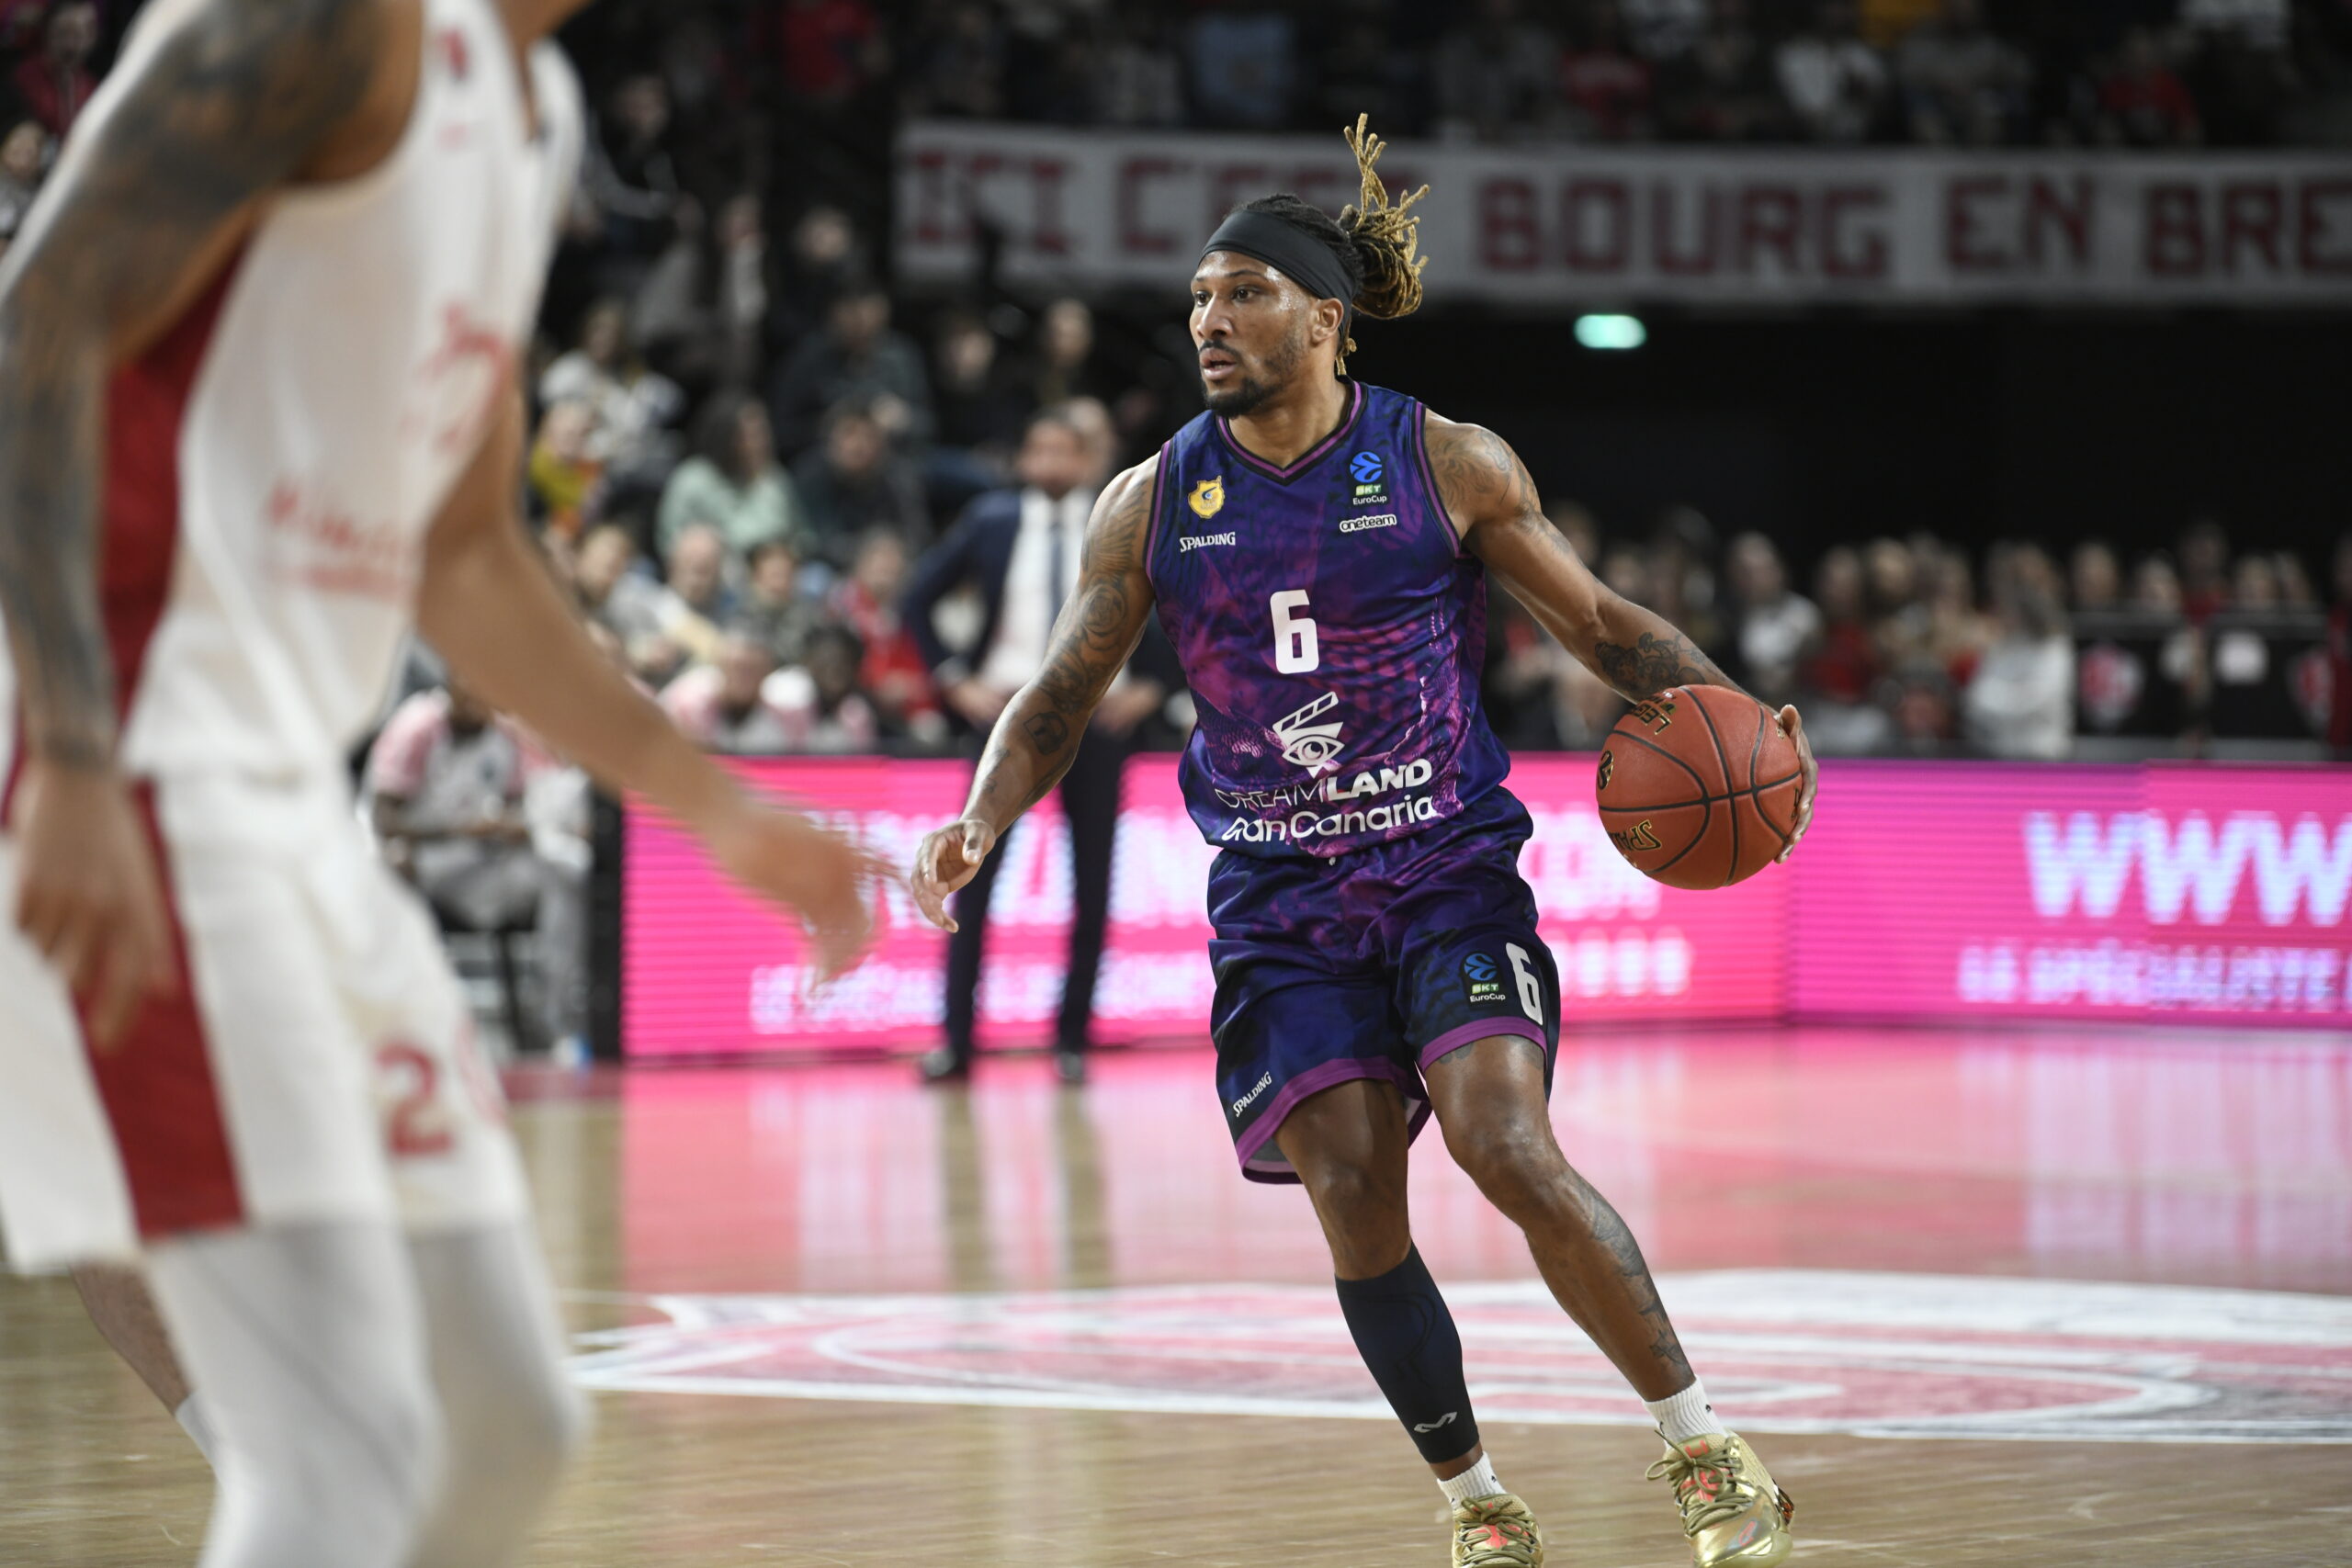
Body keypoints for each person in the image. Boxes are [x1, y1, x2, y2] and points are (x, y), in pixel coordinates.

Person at [0, 6, 883, 1568]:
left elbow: (467, 555)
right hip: (135, 749)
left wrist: (718, 807)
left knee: (508, 1420)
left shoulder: (529, 109)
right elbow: (38, 324)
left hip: (282, 784)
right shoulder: (320, 28)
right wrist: (69, 752)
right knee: (338, 1463)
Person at [910, 118, 1815, 1568]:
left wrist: (1735, 717)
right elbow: (1066, 686)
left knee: (1501, 1140)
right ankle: (1478, 1500)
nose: (1210, 319)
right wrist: (979, 811)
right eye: (1199, 299)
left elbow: (1599, 628)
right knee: (1348, 1190)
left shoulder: (1444, 459)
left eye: (1244, 293)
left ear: (1324, 317)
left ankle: (1705, 1449)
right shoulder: (1152, 500)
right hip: (1280, 898)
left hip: (1446, 871)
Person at [903, 405, 1168, 1087]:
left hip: (1096, 718)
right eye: (1039, 450)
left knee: (1093, 882)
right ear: (1023, 458)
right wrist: (952, 678)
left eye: (1064, 451)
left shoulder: (1120, 515)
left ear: (1085, 459)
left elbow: (1180, 597)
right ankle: (957, 1043)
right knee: (973, 876)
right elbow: (916, 595)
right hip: (1005, 718)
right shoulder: (991, 521)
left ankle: (1072, 1040)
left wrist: (1157, 684)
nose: (1051, 464)